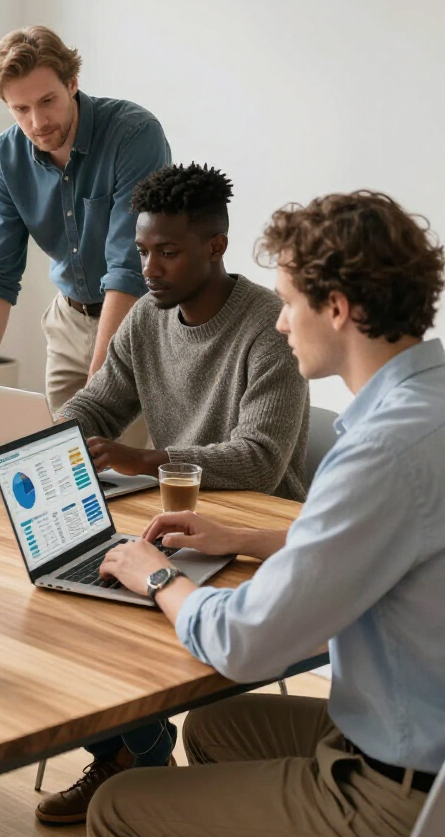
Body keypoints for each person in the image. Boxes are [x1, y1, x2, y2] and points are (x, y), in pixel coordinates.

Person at [89, 190, 445, 837]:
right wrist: (246, 537)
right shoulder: (429, 405)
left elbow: (244, 643)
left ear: (337, 309)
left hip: (403, 794)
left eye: (286, 304)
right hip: (417, 732)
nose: (280, 323)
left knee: (117, 806)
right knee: (219, 725)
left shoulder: (379, 453)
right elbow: (396, 537)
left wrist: (158, 578)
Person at [34, 163, 310, 825]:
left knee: (105, 603)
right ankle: (135, 750)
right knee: (62, 599)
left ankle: (137, 756)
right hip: (168, 523)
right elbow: (100, 400)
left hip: (252, 534)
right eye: (142, 250)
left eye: (168, 252)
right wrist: (41, 443)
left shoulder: (270, 326)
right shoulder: (149, 319)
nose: (149, 268)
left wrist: (148, 458)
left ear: (214, 246)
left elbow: (261, 461)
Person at [0, 25, 171, 415]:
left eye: (47, 101)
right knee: (63, 462)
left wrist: (99, 387)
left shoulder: (134, 134)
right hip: (67, 321)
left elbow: (128, 268)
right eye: (21, 109)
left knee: (125, 466)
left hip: (135, 320)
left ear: (72, 82)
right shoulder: (6, 156)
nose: (38, 121)